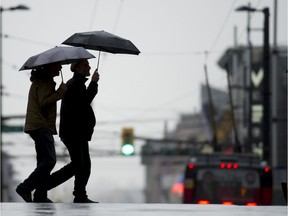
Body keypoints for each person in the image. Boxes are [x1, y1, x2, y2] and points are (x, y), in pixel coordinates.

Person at [43, 59, 99, 203]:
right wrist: (93, 83)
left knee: (83, 164)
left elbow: (83, 103)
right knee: (79, 164)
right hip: (74, 133)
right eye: (86, 65)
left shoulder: (77, 84)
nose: (89, 67)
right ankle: (43, 187)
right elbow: (84, 102)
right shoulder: (74, 85)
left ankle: (80, 194)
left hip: (78, 132)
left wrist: (91, 84)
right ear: (78, 67)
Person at [16, 62, 67, 202]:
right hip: (41, 126)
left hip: (38, 125)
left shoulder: (41, 81)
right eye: (58, 66)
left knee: (43, 162)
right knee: (50, 160)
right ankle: (25, 187)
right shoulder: (45, 82)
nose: (61, 68)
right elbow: (44, 102)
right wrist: (60, 93)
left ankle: (40, 195)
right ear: (51, 67)